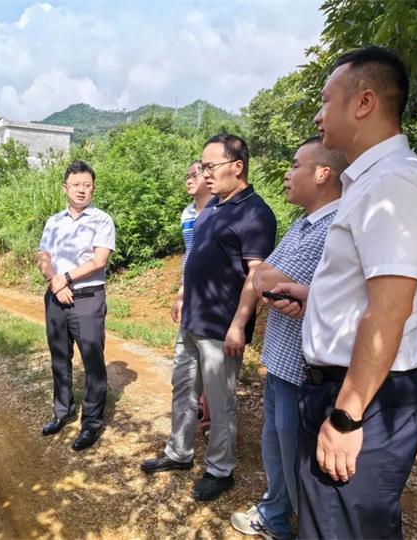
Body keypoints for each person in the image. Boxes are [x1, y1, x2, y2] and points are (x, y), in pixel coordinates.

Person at [267, 47, 417, 538]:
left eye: (326, 100)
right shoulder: (369, 182)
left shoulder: (393, 184)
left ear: (364, 102)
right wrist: (314, 298)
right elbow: (367, 291)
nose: (318, 115)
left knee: (339, 527)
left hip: (364, 395)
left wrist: (347, 416)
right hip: (351, 386)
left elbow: (390, 310)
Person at [141, 134, 277, 501]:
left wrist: (239, 325)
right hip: (192, 319)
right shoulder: (212, 206)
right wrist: (183, 293)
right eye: (202, 167)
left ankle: (220, 469)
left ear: (238, 166)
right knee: (184, 389)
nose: (205, 174)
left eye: (211, 166)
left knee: (219, 401)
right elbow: (196, 257)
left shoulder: (255, 213)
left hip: (221, 326)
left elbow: (256, 275)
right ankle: (179, 452)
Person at [229, 137, 346, 539]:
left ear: (323, 173)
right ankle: (275, 515)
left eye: (296, 165)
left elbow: (266, 278)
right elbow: (261, 276)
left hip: (301, 369)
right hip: (280, 360)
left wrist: (267, 280)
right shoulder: (303, 223)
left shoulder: (334, 227)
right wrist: (268, 281)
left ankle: (304, 526)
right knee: (276, 446)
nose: (287, 173)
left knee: (297, 456)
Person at [37, 160, 116, 452]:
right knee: (59, 357)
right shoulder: (53, 221)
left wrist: (65, 279)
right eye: (76, 185)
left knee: (92, 360)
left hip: (87, 298)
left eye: (87, 185)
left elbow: (99, 260)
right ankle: (63, 411)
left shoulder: (102, 220)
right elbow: (43, 256)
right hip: (55, 297)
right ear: (65, 188)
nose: (81, 190)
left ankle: (91, 423)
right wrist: (54, 282)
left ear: (93, 188)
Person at [170, 160, 213, 438]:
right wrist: (181, 292)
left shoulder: (219, 209)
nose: (189, 179)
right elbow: (189, 255)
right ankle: (196, 410)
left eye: (194, 175)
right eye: (186, 175)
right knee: (189, 359)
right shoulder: (187, 213)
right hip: (192, 295)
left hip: (213, 296)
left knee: (212, 361)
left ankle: (210, 421)